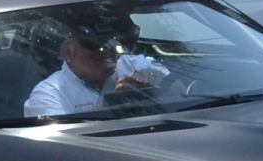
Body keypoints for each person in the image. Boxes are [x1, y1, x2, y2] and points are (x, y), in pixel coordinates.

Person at [25, 24, 171, 119]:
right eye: (95, 44)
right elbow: (58, 147)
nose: (106, 49)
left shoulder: (135, 64)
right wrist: (111, 103)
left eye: (112, 42)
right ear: (68, 52)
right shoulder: (49, 93)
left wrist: (161, 83)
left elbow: (182, 86)